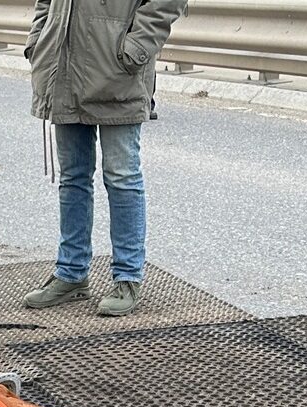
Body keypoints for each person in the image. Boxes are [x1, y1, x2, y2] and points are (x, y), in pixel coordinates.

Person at [22, 0, 185, 318]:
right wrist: (39, 39)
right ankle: (70, 273)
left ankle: (127, 278)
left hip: (119, 70)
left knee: (122, 174)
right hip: (63, 66)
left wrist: (136, 47)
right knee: (73, 177)